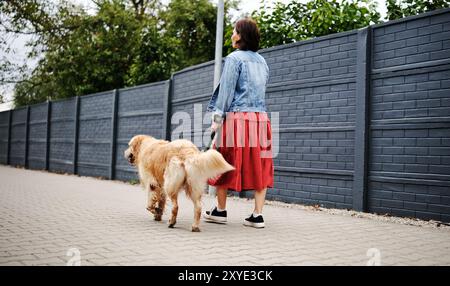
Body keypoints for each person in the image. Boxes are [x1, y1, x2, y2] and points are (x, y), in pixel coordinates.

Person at [203, 18, 274, 228]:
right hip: (261, 119)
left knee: (223, 161)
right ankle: (257, 215)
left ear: (241, 35)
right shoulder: (262, 61)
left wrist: (217, 120)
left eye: (234, 31)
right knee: (261, 165)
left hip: (237, 118)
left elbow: (226, 92)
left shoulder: (234, 59)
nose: (232, 35)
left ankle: (221, 211)